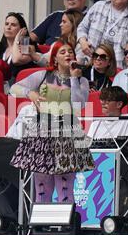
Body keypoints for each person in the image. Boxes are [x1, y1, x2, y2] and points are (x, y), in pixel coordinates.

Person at [9, 39, 94, 203]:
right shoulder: (43, 75)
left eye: (70, 51)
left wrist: (74, 79)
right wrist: (30, 94)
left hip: (68, 132)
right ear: (54, 59)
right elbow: (14, 88)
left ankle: (65, 225)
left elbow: (79, 104)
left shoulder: (82, 80)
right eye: (63, 52)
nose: (68, 54)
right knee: (42, 185)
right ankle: (42, 224)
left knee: (65, 184)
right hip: (42, 131)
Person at [0, 12, 36, 90]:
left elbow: (16, 60)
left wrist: (17, 39)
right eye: (6, 24)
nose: (8, 27)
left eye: (13, 25)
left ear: (22, 30)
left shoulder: (28, 48)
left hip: (18, 92)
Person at [18, 9, 83, 68]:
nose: (60, 25)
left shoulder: (82, 45)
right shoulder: (57, 43)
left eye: (64, 22)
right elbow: (47, 61)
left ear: (73, 24)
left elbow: (80, 65)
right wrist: (32, 53)